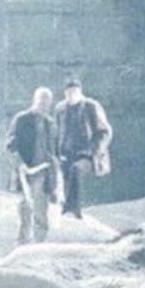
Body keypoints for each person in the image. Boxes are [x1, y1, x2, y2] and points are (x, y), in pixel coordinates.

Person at [4, 86, 62, 244]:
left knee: (41, 210)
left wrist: (56, 170)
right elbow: (10, 145)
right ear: (34, 101)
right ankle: (22, 245)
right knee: (25, 209)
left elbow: (55, 150)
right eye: (41, 103)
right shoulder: (22, 119)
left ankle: (38, 246)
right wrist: (19, 163)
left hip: (44, 172)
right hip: (25, 172)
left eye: (47, 104)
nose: (44, 107)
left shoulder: (51, 123)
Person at [55, 77, 112, 218]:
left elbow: (105, 132)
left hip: (88, 154)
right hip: (67, 153)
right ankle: (66, 210)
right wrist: (56, 153)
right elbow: (56, 133)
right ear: (64, 93)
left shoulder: (91, 106)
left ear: (80, 92)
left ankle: (72, 208)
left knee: (76, 169)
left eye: (74, 92)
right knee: (63, 176)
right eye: (68, 92)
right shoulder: (60, 109)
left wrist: (96, 150)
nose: (71, 95)